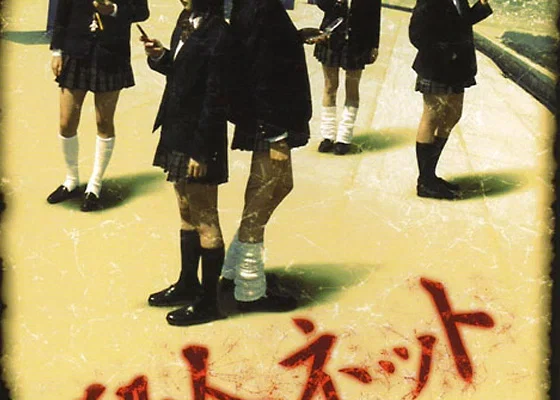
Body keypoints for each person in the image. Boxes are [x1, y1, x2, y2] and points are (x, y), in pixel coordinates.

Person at [217, 0, 313, 314]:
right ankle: (249, 288)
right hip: (269, 120)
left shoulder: (259, 6)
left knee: (278, 186)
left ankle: (234, 266)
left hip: (270, 115)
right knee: (263, 195)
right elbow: (260, 70)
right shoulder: (259, 7)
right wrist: (275, 135)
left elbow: (265, 48)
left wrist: (295, 37)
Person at [143, 0, 231, 327]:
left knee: (206, 218)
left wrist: (201, 151)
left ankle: (209, 303)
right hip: (177, 130)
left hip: (200, 140)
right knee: (185, 210)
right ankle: (188, 284)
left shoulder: (220, 33)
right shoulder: (186, 19)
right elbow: (182, 72)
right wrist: (160, 56)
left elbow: (216, 98)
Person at [47, 0, 149, 211]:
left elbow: (142, 11)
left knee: (103, 122)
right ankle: (71, 180)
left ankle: (94, 185)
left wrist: (113, 10)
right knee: (66, 122)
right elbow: (62, 11)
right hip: (75, 51)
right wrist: (56, 50)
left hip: (111, 53)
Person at [409, 0, 492, 199]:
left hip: (457, 67)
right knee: (431, 118)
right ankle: (425, 182)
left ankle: (430, 175)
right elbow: (416, 34)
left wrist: (481, 5)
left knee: (453, 115)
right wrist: (447, 52)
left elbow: (462, 22)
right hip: (436, 67)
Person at [314, 0, 381, 155]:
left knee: (352, 89)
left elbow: (375, 15)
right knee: (330, 87)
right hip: (331, 39)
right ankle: (327, 135)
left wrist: (374, 45)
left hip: (358, 43)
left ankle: (344, 137)